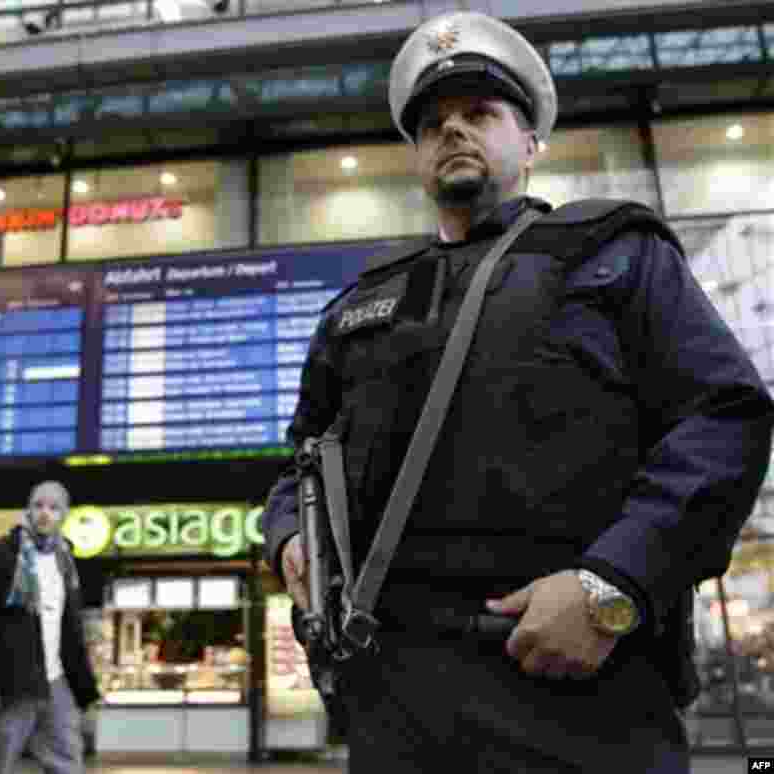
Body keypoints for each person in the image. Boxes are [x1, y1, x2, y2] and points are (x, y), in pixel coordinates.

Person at [261, 11, 774, 773]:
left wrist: (614, 584)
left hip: (575, 688)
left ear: (531, 145)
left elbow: (724, 418)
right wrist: (289, 539)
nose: (453, 132)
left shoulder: (612, 254)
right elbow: (298, 463)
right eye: (433, 124)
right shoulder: (360, 308)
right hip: (394, 701)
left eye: (479, 114)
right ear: (416, 157)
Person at [0, 480, 99, 774]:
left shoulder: (65, 560)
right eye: (38, 505)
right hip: (12, 681)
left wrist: (83, 687)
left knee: (68, 761)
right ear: (28, 510)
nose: (45, 513)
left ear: (64, 515)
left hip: (56, 679)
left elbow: (70, 628)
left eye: (54, 507)